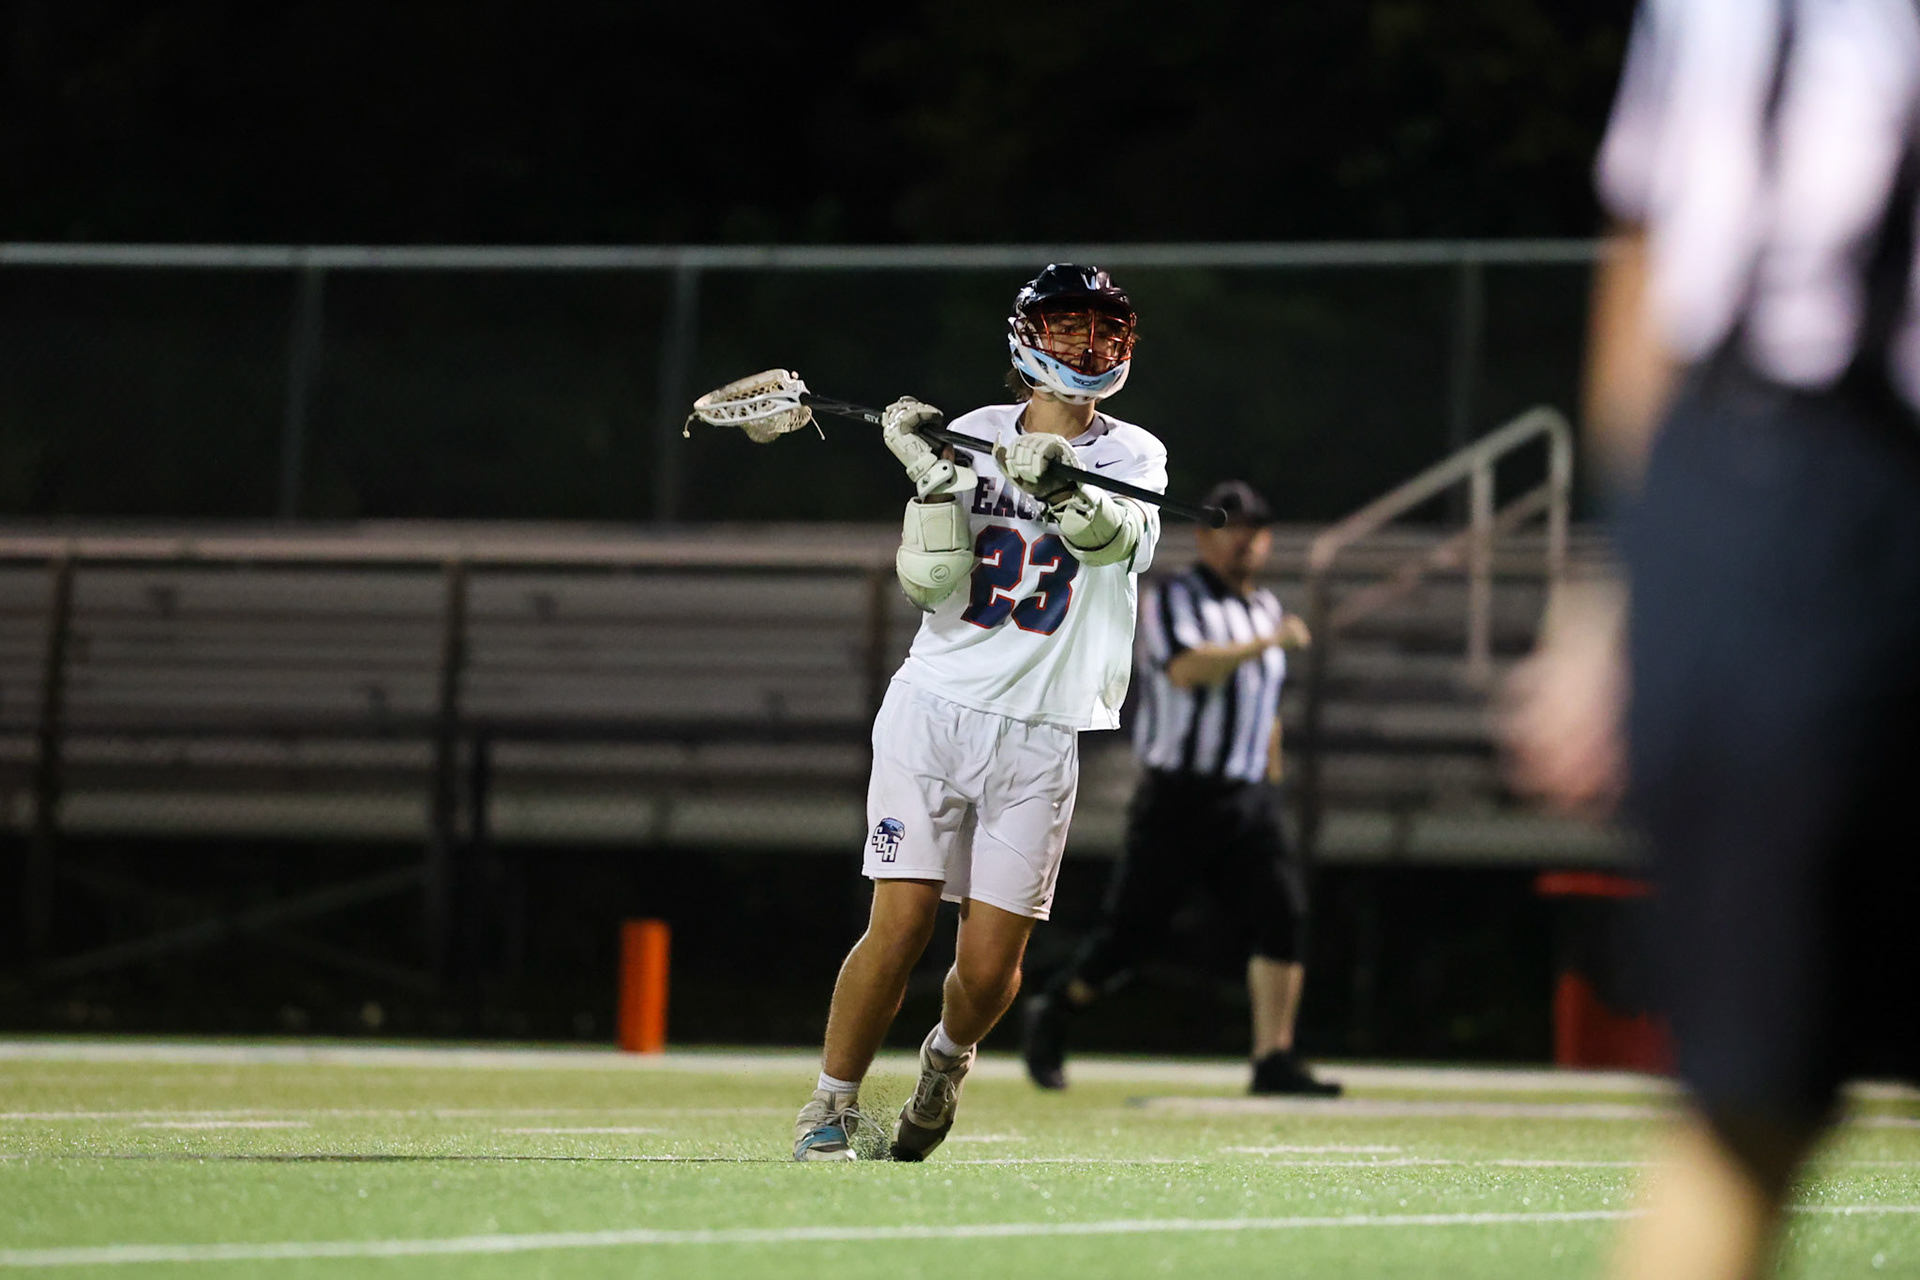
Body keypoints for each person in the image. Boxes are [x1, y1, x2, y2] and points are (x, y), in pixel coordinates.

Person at [1504, 2, 1920, 1276]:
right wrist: (1613, 588)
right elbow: (1653, 243)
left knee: (1757, 1109)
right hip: (1798, 483)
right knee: (1754, 1100)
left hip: (1786, 495)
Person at [792, 264, 1169, 1161]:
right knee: (901, 922)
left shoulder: (1135, 454)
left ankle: (945, 1060)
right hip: (935, 710)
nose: (1087, 345)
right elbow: (929, 581)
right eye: (1069, 328)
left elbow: (1121, 542)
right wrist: (931, 482)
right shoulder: (969, 436)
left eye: (1102, 330)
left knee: (993, 968)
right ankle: (829, 1106)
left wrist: (1063, 488)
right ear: (1027, 339)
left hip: (1041, 731)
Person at [1019, 480, 1339, 1096]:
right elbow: (1189, 670)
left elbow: (1262, 706)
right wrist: (1270, 643)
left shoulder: (1265, 606)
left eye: (1255, 528)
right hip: (1179, 796)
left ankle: (1273, 1058)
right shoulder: (1174, 597)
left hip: (1247, 797)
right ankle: (1057, 1007)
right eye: (1233, 526)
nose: (1245, 540)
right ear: (1205, 535)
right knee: (1131, 937)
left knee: (1283, 917)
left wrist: (1270, 783)